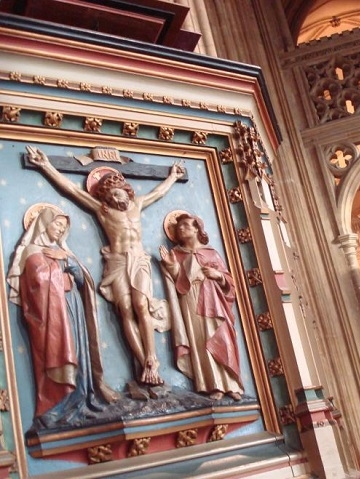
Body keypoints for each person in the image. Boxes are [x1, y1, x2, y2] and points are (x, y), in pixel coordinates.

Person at [26, 146, 186, 386]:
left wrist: (173, 176)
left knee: (141, 305)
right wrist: (46, 165)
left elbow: (159, 192)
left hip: (138, 259)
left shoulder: (138, 204)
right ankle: (144, 364)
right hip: (117, 261)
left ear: (126, 190)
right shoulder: (103, 210)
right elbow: (71, 190)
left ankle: (153, 358)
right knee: (125, 309)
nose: (114, 198)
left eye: (117, 193)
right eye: (110, 195)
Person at [7, 204, 119, 427]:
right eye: (57, 224)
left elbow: (81, 280)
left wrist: (67, 261)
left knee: (79, 352)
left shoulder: (62, 251)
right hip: (51, 315)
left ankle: (82, 401)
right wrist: (62, 269)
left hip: (72, 307)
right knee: (62, 352)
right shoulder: (32, 251)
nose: (60, 230)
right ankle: (58, 409)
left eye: (63, 227)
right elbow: (39, 283)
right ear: (44, 224)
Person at [160, 213, 243, 401]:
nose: (181, 229)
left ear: (197, 228)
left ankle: (231, 383)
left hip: (213, 299)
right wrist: (171, 266)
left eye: (185, 225)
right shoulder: (177, 254)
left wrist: (218, 275)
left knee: (221, 337)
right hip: (191, 299)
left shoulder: (211, 253)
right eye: (178, 227)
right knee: (200, 342)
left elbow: (230, 283)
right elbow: (178, 282)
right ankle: (213, 385)